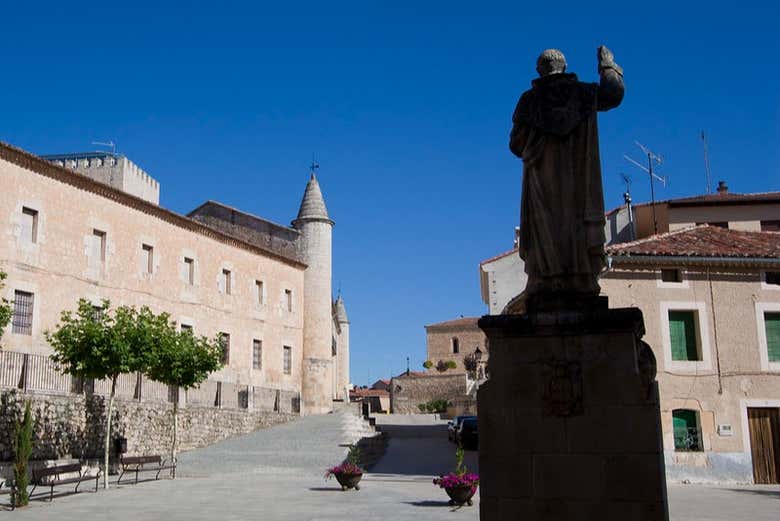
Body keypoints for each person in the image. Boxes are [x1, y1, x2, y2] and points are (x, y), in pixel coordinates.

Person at [509, 46, 624, 299]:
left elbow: (516, 143)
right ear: (564, 67)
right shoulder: (583, 94)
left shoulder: (529, 101)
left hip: (542, 180)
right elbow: (613, 94)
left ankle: (543, 279)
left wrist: (537, 140)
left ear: (540, 70)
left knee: (545, 228)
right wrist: (607, 65)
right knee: (576, 222)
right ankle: (582, 278)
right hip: (579, 179)